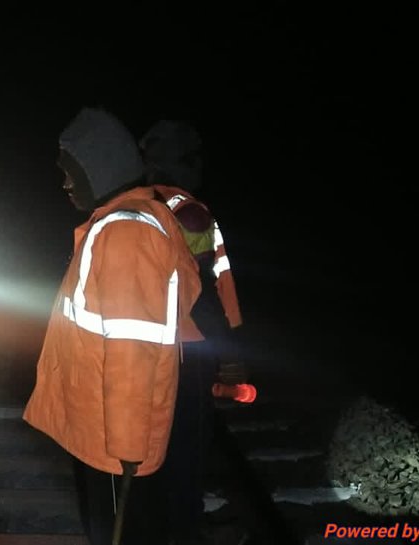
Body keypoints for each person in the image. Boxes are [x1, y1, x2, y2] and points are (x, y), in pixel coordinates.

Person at [23, 107, 202, 545]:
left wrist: (127, 448)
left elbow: (133, 349)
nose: (65, 184)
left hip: (112, 439)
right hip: (102, 426)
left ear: (99, 169)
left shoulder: (126, 234)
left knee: (117, 533)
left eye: (70, 172)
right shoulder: (118, 224)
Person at [138, 119, 247, 544]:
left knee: (148, 445)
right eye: (193, 158)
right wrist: (231, 349)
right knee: (186, 446)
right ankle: (183, 529)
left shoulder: (132, 206)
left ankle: (150, 524)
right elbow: (207, 289)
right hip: (187, 352)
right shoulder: (191, 212)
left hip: (141, 350)